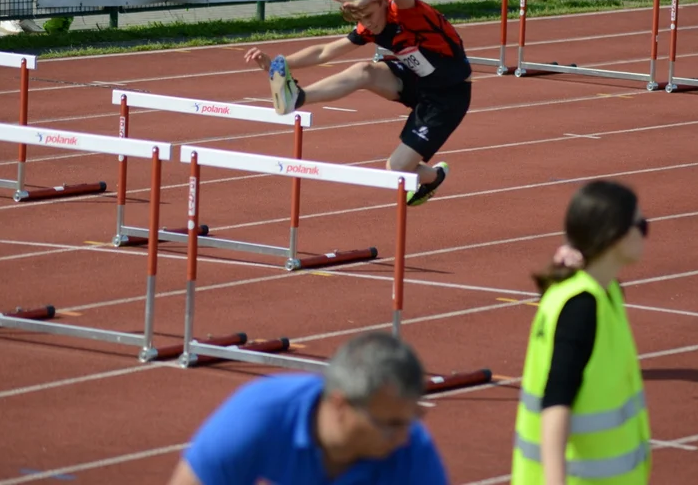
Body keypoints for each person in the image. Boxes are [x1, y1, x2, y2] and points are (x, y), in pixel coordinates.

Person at [244, 0, 472, 206]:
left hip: (448, 95)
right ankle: (298, 97)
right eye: (361, 19)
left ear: (382, 1)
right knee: (364, 70)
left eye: (369, 15)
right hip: (417, 80)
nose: (368, 24)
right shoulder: (371, 26)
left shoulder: (405, 12)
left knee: (396, 169)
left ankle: (434, 176)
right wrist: (277, 64)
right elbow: (325, 51)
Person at [165, 332, 449, 485]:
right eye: (389, 424)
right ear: (340, 405)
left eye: (411, 420)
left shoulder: (413, 450)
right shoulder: (256, 419)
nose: (403, 436)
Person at [511, 180, 652, 485]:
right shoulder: (580, 307)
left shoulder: (604, 291)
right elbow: (556, 403)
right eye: (640, 224)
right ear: (613, 234)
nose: (645, 232)